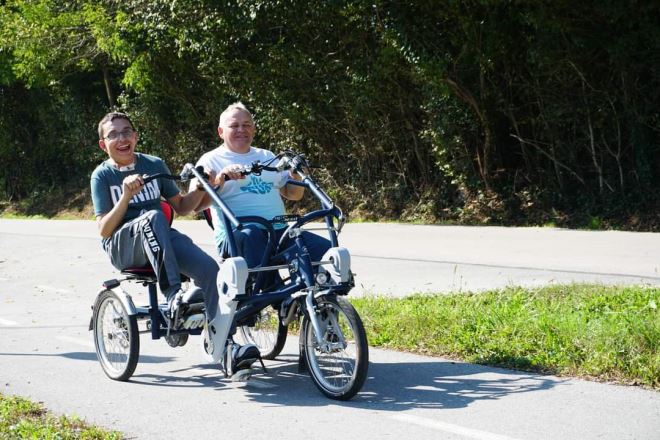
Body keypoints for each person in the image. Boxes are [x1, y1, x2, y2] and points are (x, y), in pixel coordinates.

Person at [90, 111, 259, 371]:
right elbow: (104, 229)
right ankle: (173, 296)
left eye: (126, 132)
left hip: (160, 238)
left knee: (210, 271)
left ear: (135, 136)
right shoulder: (101, 176)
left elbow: (182, 207)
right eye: (113, 135)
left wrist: (202, 187)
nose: (121, 138)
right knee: (154, 216)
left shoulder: (154, 164)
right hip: (123, 246)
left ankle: (226, 345)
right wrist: (125, 196)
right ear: (104, 145)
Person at [191, 102, 331, 273]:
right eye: (234, 126)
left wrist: (296, 175)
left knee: (326, 251)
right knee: (252, 234)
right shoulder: (210, 160)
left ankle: (310, 288)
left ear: (254, 129)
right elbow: (196, 207)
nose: (241, 130)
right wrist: (219, 180)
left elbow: (292, 194)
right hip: (238, 235)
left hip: (278, 231)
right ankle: (269, 285)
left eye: (246, 125)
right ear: (221, 132)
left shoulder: (267, 156)